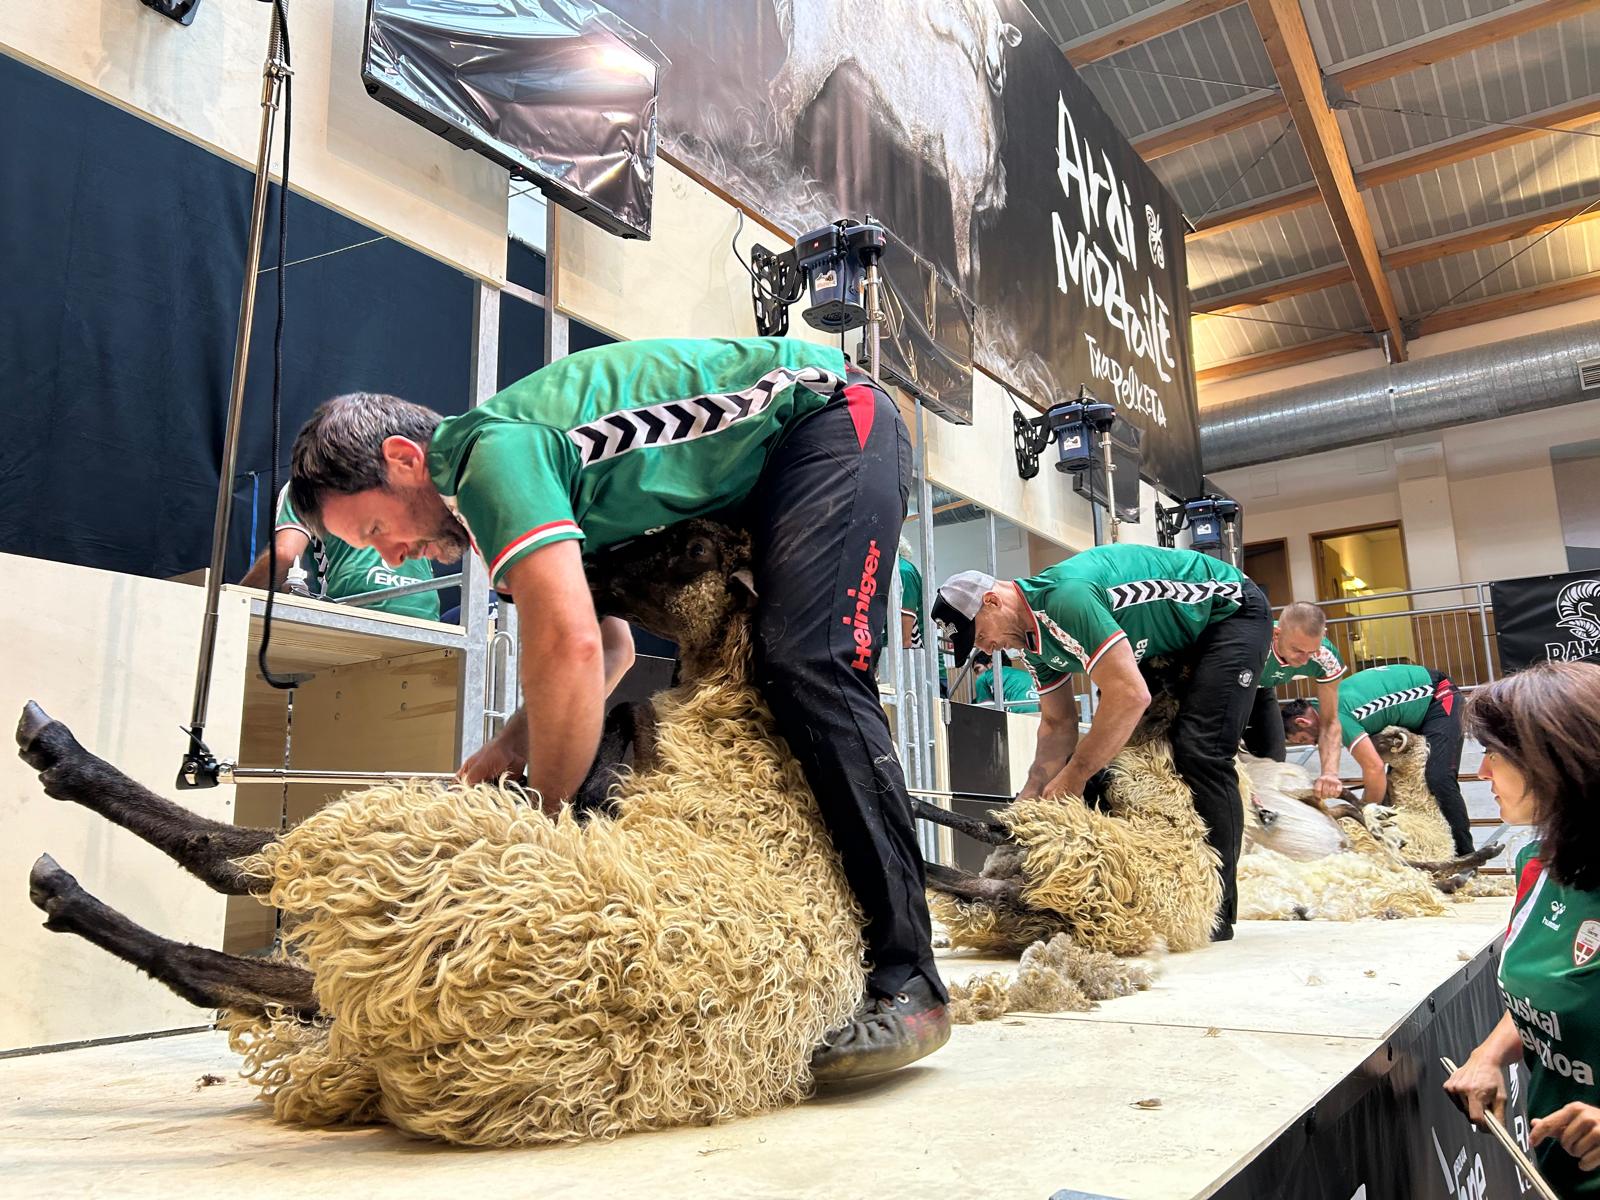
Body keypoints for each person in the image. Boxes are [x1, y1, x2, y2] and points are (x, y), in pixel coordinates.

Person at [285, 337, 947, 1081]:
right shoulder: (493, 509)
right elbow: (610, 648)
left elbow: (567, 649)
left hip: (831, 415)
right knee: (773, 669)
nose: (393, 557)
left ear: (407, 460)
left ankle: (911, 981)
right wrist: (513, 742)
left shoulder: (489, 459)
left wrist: (543, 826)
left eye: (376, 531)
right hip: (766, 465)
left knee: (810, 662)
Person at [931, 544, 1272, 941]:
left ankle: (1216, 909)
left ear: (992, 601)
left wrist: (1074, 775)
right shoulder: (1035, 644)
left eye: (979, 634)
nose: (985, 648)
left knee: (1199, 750)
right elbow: (1058, 725)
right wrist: (1031, 793)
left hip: (1229, 612)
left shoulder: (1065, 600)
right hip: (1175, 636)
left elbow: (1131, 696)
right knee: (1109, 767)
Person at [1444, 662, 1600, 1197]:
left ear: (1550, 764)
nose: (1482, 773)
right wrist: (1489, 1054)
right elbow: (1554, 994)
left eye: (1494, 755)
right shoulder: (1539, 862)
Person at [1283, 661, 1473, 856]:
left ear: (1302, 721)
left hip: (1440, 697)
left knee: (1439, 777)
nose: (1314, 744)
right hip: (1416, 709)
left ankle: (1466, 854)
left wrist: (1365, 816)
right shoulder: (1330, 704)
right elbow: (1375, 770)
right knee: (1396, 789)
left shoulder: (1336, 716)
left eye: (1305, 738)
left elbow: (1373, 768)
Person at [240, 484, 441, 620]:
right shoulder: (401, 477)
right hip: (425, 608)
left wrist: (235, 599)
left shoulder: (307, 483)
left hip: (359, 606)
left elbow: (285, 554)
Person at [1241, 601, 1345, 799]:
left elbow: (1330, 722)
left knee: (1273, 756)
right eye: (1297, 650)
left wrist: (1330, 774)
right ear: (1277, 634)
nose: (1305, 660)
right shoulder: (1252, 641)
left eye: (1311, 651)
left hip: (1262, 688)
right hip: (1232, 683)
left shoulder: (1326, 658)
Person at [973, 651, 1040, 713]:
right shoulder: (1025, 674)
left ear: (992, 662)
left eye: (977, 669)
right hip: (1042, 713)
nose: (977, 676)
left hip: (1021, 716)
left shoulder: (984, 677)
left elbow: (985, 712)